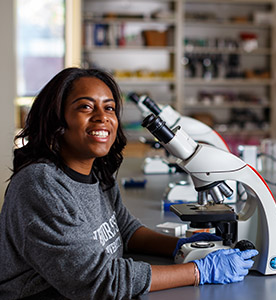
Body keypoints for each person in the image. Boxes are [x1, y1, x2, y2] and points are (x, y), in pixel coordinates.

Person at [0, 67, 258, 299]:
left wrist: (186, 247)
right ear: (58, 120)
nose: (102, 117)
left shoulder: (98, 170)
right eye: (86, 107)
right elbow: (97, 281)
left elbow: (125, 229)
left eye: (109, 107)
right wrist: (198, 271)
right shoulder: (41, 185)